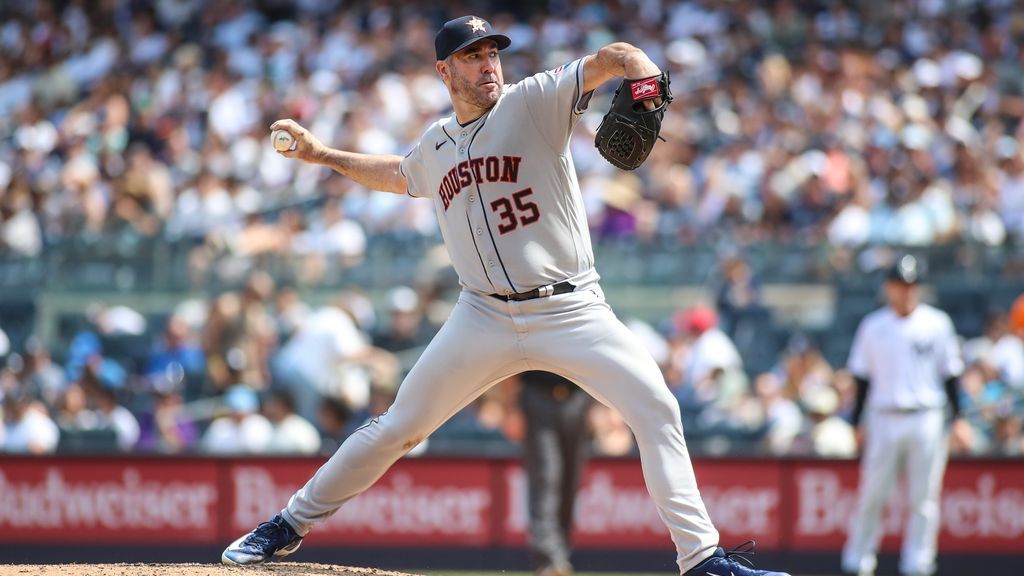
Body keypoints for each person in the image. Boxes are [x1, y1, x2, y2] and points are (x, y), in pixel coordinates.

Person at [222, 15, 790, 576]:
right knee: (398, 427)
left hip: (571, 307)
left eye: (492, 53)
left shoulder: (534, 99)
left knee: (658, 409)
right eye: (473, 56)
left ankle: (702, 559)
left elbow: (613, 58)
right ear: (445, 71)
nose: (488, 64)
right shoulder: (437, 142)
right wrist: (323, 156)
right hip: (483, 314)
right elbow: (400, 174)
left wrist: (642, 76)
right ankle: (287, 525)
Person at [841, 255, 971, 576]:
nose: (906, 290)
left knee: (923, 499)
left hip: (926, 416)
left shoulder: (937, 323)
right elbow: (861, 378)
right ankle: (858, 561)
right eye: (900, 283)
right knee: (873, 494)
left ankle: (918, 563)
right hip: (884, 415)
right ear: (888, 287)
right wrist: (856, 421)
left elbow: (950, 375)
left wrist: (959, 418)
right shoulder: (873, 326)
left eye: (911, 284)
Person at [518, 371, 592, 576]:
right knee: (546, 475)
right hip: (538, 394)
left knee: (571, 479)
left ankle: (561, 554)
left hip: (579, 394)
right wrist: (508, 406)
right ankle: (549, 558)